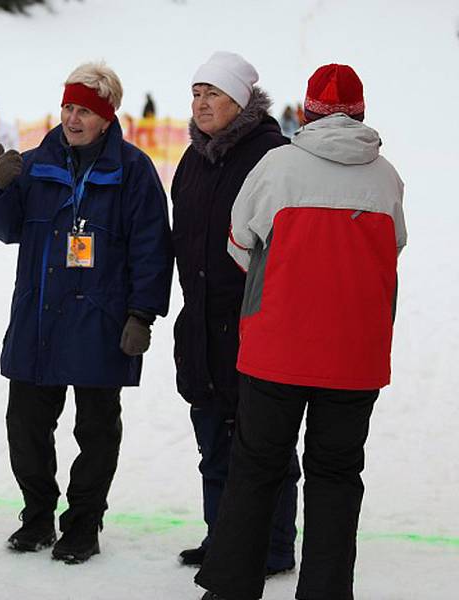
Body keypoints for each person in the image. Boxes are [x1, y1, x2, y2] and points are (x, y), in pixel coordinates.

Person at [195, 64, 406, 600]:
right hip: (356, 358)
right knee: (337, 478)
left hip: (276, 351)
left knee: (255, 471)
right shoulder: (386, 177)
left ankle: (230, 589)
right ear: (360, 112)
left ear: (307, 111)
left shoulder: (278, 166)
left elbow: (238, 243)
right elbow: (393, 248)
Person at [0, 61, 173, 564]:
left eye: (85, 109)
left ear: (106, 117)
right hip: (39, 317)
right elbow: (3, 227)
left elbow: (153, 247)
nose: (73, 118)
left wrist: (141, 314)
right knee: (24, 425)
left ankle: (83, 524)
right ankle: (37, 515)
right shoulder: (40, 160)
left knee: (96, 431)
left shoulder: (133, 170)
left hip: (102, 321)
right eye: (68, 107)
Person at [170, 51, 300, 575]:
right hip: (200, 325)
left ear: (240, 101)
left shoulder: (272, 156)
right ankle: (221, 535)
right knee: (211, 439)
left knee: (263, 444)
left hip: (254, 327)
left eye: (213, 94)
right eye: (196, 93)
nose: (201, 104)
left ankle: (271, 545)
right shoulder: (193, 159)